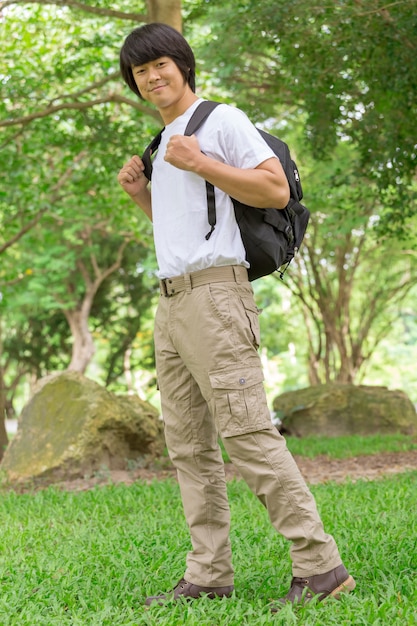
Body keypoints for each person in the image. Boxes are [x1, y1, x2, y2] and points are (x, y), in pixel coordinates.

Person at [117, 22, 356, 610]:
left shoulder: (219, 121)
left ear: (183, 65)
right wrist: (143, 195)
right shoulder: (164, 141)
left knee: (246, 434)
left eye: (159, 66)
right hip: (172, 302)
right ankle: (208, 574)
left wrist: (198, 162)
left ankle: (321, 568)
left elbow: (274, 190)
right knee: (189, 446)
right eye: (139, 72)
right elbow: (184, 229)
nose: (151, 78)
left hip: (217, 302)